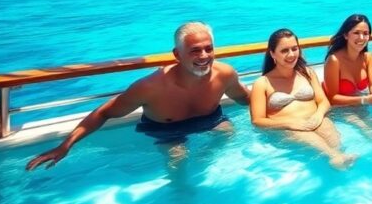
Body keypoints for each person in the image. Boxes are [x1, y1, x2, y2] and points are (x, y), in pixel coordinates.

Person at [26, 22, 250, 170]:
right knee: (177, 160)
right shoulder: (150, 87)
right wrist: (66, 145)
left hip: (211, 120)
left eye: (208, 49)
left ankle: (208, 164)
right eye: (195, 50)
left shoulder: (225, 74)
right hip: (166, 131)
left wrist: (277, 104)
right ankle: (182, 197)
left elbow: (245, 99)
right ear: (177, 55)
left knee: (229, 134)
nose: (204, 56)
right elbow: (104, 112)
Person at [250, 28, 355, 169]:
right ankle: (335, 158)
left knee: (334, 141)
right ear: (272, 53)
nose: (291, 54)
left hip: (316, 119)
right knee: (326, 150)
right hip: (288, 127)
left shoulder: (307, 73)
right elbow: (257, 120)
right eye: (284, 50)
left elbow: (323, 101)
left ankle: (339, 158)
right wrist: (290, 124)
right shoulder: (262, 83)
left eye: (294, 48)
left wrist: (318, 115)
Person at [323, 14, 372, 107]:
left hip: (362, 106)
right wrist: (364, 100)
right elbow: (332, 98)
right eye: (356, 33)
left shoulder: (367, 58)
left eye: (365, 33)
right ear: (346, 35)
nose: (361, 38)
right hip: (341, 110)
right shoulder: (334, 61)